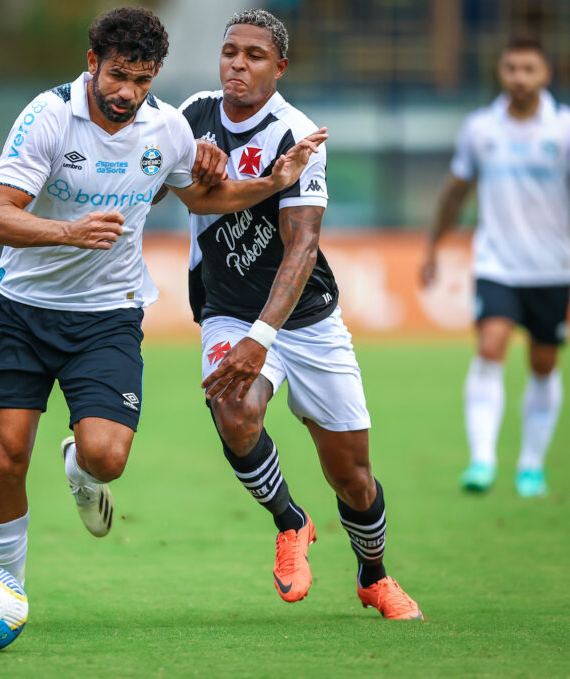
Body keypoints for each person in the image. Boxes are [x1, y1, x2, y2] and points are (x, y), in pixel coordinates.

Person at [0, 7, 325, 587]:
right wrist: (68, 231)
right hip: (23, 311)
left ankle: (80, 470)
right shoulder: (47, 116)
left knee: (106, 457)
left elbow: (199, 197)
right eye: (118, 77)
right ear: (93, 64)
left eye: (142, 80)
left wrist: (271, 183)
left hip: (108, 315)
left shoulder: (166, 127)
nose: (127, 93)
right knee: (6, 457)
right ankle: (6, 586)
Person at [173, 10, 422, 619]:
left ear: (279, 68)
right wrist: (189, 164)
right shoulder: (190, 116)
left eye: (254, 55)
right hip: (227, 307)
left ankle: (374, 576)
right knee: (233, 411)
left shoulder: (297, 134)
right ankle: (291, 522)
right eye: (230, 51)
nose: (237, 63)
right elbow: (152, 184)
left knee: (353, 477)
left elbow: (303, 245)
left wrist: (264, 336)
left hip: (305, 320)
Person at [423, 36, 570, 498]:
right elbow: (455, 192)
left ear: (546, 74)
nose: (519, 78)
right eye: (511, 68)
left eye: (529, 69)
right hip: (498, 263)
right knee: (491, 346)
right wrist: (432, 245)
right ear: (500, 73)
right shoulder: (480, 129)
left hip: (552, 268)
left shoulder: (564, 130)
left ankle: (530, 466)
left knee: (544, 364)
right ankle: (482, 460)